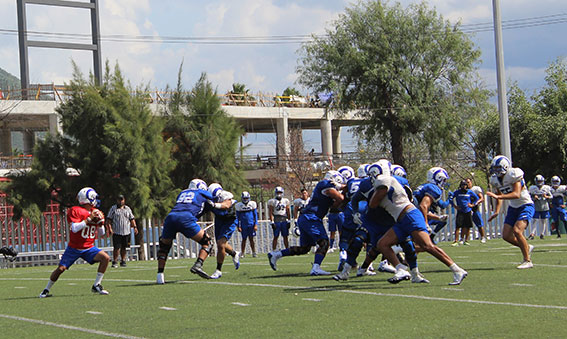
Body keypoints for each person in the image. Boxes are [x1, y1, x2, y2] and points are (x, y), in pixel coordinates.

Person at [371, 169, 468, 285]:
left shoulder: (386, 182)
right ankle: (401, 269)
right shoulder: (391, 183)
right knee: (382, 244)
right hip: (402, 220)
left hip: (410, 216)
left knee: (427, 246)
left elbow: (423, 205)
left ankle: (457, 270)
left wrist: (426, 223)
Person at [268, 170, 345, 276]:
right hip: (311, 218)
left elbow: (336, 200)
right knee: (324, 243)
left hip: (307, 217)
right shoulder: (325, 184)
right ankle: (316, 268)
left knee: (305, 248)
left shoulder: (324, 188)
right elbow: (340, 198)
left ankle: (276, 254)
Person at [156, 179, 232, 284]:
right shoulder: (203, 193)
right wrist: (227, 202)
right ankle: (198, 265)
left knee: (164, 247)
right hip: (186, 218)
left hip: (171, 217)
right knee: (207, 242)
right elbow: (219, 200)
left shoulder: (182, 193)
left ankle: (160, 275)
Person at [39, 187, 111, 297]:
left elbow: (101, 234)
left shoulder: (94, 212)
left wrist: (101, 223)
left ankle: (97, 285)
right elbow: (75, 228)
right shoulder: (76, 210)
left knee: (105, 258)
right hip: (74, 248)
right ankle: (45, 290)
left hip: (88, 247)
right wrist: (89, 219)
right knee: (61, 269)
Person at [487, 155, 535, 269]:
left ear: (505, 166)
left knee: (517, 231)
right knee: (506, 236)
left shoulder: (513, 174)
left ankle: (527, 260)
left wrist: (499, 197)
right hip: (513, 207)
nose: (496, 170)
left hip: (525, 205)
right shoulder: (495, 180)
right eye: (495, 168)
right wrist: (497, 211)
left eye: (498, 168)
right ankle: (527, 247)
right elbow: (499, 196)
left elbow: (516, 194)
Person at [206, 183, 241, 279]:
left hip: (229, 220)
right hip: (219, 219)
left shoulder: (226, 196)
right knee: (220, 244)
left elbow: (226, 206)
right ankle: (234, 253)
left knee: (221, 244)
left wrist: (214, 205)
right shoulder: (209, 198)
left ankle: (218, 270)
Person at [105, 194, 137, 268]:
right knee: (116, 247)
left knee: (124, 247)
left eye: (122, 200)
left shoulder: (128, 209)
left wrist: (135, 227)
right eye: (119, 200)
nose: (120, 201)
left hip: (126, 231)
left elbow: (132, 219)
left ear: (124, 200)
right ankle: (115, 261)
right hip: (117, 231)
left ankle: (123, 260)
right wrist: (109, 228)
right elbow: (109, 220)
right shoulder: (113, 209)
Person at [450, 180, 479, 246]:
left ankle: (466, 240)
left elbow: (476, 198)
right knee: (458, 226)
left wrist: (472, 204)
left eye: (465, 185)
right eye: (462, 185)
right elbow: (450, 198)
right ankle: (456, 241)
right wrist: (454, 206)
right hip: (460, 211)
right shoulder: (457, 192)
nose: (464, 186)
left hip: (468, 211)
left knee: (467, 226)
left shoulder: (469, 192)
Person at [528, 175, 552, 239]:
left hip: (544, 206)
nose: (539, 183)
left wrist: (546, 197)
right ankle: (532, 233)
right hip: (536, 206)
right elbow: (528, 197)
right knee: (535, 220)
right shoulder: (532, 188)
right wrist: (534, 198)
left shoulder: (546, 188)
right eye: (538, 181)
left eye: (540, 181)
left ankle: (542, 233)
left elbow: (551, 196)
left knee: (543, 220)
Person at [235, 191, 258, 257]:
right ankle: (242, 253)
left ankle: (254, 252)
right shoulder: (239, 205)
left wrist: (255, 224)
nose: (245, 200)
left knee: (251, 239)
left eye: (246, 198)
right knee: (244, 239)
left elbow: (255, 215)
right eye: (244, 198)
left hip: (251, 224)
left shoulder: (252, 204)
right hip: (243, 225)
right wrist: (238, 226)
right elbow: (237, 217)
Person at [467, 178, 487, 243]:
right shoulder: (464, 190)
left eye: (468, 182)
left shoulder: (475, 189)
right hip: (467, 209)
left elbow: (481, 198)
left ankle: (483, 237)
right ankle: (465, 239)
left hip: (475, 208)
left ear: (471, 182)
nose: (467, 184)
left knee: (479, 224)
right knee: (466, 225)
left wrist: (474, 204)